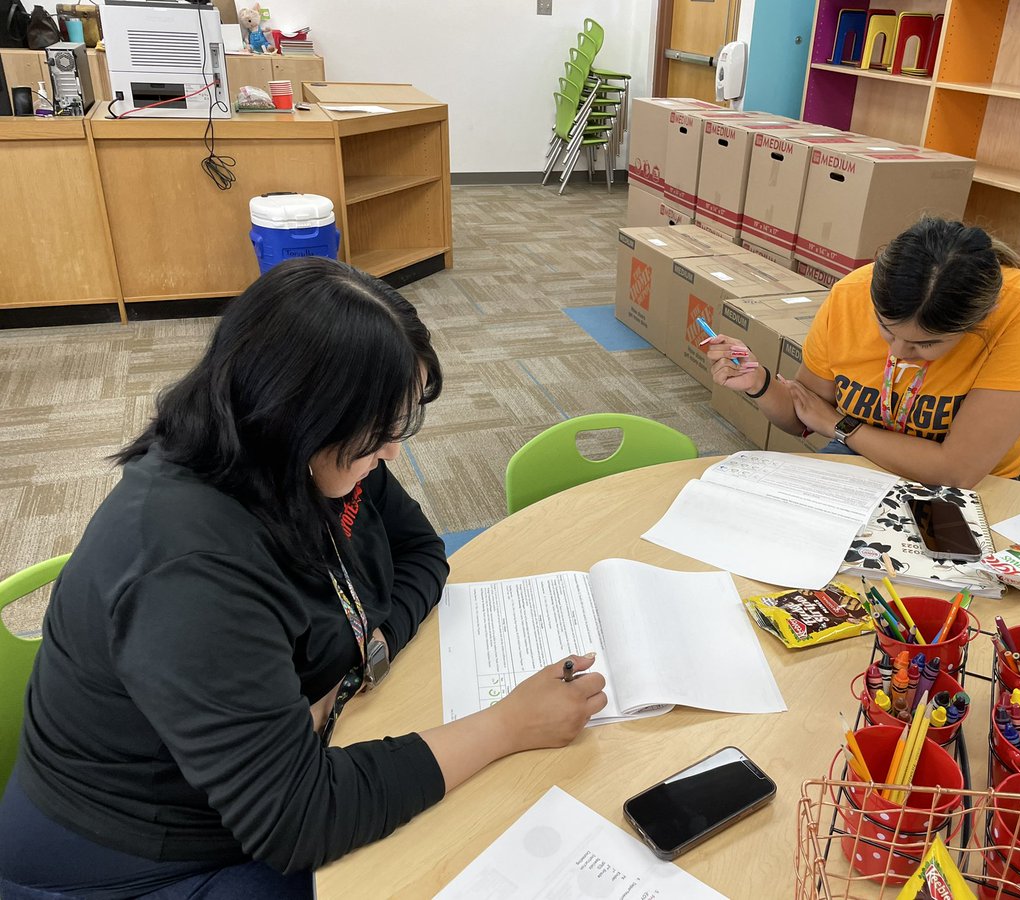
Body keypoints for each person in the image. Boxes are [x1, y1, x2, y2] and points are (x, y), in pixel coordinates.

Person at [0, 258, 607, 899]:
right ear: (299, 415)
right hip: (134, 861)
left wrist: (358, 662)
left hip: (256, 788)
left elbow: (424, 552)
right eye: (381, 429)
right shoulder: (188, 566)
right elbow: (297, 821)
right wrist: (506, 726)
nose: (394, 450)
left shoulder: (308, 455)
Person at [705, 218, 1020, 487]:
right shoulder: (852, 293)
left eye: (926, 344)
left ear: (977, 323)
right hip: (859, 462)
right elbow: (802, 415)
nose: (899, 352)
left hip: (971, 489)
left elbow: (956, 471)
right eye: (886, 330)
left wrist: (839, 425)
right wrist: (761, 383)